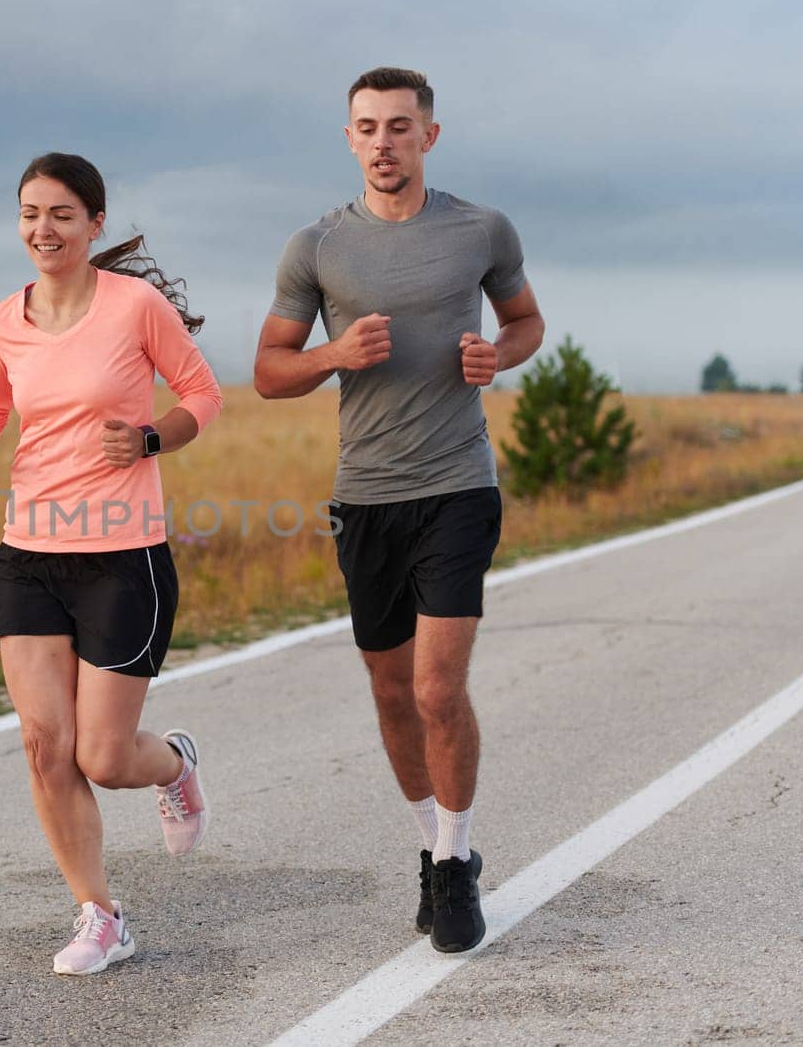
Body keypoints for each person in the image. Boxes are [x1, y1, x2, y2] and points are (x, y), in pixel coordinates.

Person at [253, 68, 545, 953]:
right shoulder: (317, 247)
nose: (383, 142)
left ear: (430, 135)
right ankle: (433, 842)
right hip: (366, 496)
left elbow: (527, 321)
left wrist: (501, 355)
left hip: (458, 484)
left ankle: (455, 865)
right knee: (389, 690)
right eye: (367, 127)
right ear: (350, 138)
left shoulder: (479, 229)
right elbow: (269, 369)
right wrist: (333, 353)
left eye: (399, 127)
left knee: (434, 686)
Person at [0, 153, 222, 976]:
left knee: (102, 755)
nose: (44, 229)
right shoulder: (2, 320)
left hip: (121, 555)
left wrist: (147, 438)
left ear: (94, 224)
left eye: (62, 214)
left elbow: (202, 395)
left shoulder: (133, 306)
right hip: (30, 552)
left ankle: (173, 763)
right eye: (31, 213)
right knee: (43, 745)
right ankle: (100, 914)